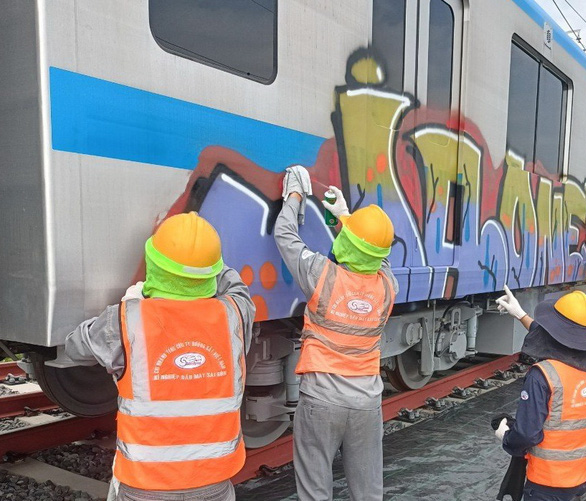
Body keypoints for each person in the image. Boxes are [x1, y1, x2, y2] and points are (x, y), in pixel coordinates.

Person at [64, 212, 255, 501]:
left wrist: (128, 305)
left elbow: (74, 347)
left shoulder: (126, 320)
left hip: (144, 486)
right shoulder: (235, 315)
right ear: (211, 272)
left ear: (154, 263)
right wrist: (202, 254)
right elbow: (235, 285)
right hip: (213, 484)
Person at [274, 165, 398, 501]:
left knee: (315, 492)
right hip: (366, 405)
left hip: (321, 402)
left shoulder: (320, 275)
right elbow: (373, 253)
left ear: (347, 242)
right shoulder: (388, 286)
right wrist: (344, 214)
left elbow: (285, 236)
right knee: (368, 493)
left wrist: (295, 195)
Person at [495, 287, 586, 501]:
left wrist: (507, 438)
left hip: (549, 481)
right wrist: (521, 315)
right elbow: (563, 342)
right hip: (584, 473)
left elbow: (527, 434)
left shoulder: (544, 376)